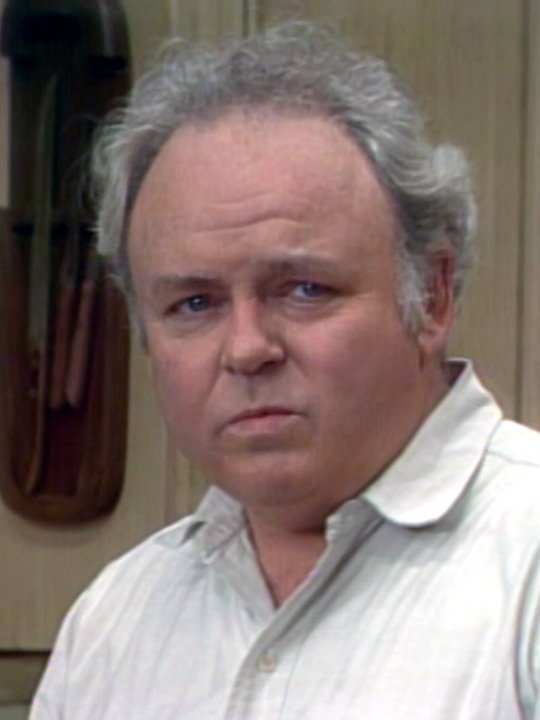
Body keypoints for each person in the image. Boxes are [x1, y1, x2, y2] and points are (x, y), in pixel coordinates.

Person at [30, 21, 540, 720]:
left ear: (431, 296)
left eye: (303, 289)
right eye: (194, 303)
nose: (247, 348)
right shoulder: (114, 621)